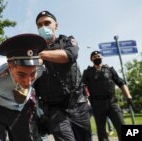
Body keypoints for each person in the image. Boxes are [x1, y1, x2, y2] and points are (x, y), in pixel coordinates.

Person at [0, 33, 46, 141]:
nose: (28, 82)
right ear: (10, 67)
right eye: (21, 75)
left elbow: (40, 62)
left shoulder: (39, 69)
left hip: (20, 111)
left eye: (32, 74)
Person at [33, 11, 92, 141]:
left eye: (47, 23)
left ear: (56, 26)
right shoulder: (34, 49)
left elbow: (69, 55)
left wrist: (40, 55)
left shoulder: (67, 41)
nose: (43, 27)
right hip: (54, 109)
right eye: (39, 25)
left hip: (77, 105)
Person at [82, 50, 133, 141]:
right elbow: (82, 87)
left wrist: (128, 96)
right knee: (101, 131)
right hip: (97, 104)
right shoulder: (87, 72)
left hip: (112, 102)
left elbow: (121, 82)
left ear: (102, 57)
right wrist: (87, 99)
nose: (97, 57)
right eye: (94, 56)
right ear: (91, 59)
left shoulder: (110, 70)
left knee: (122, 126)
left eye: (98, 56)